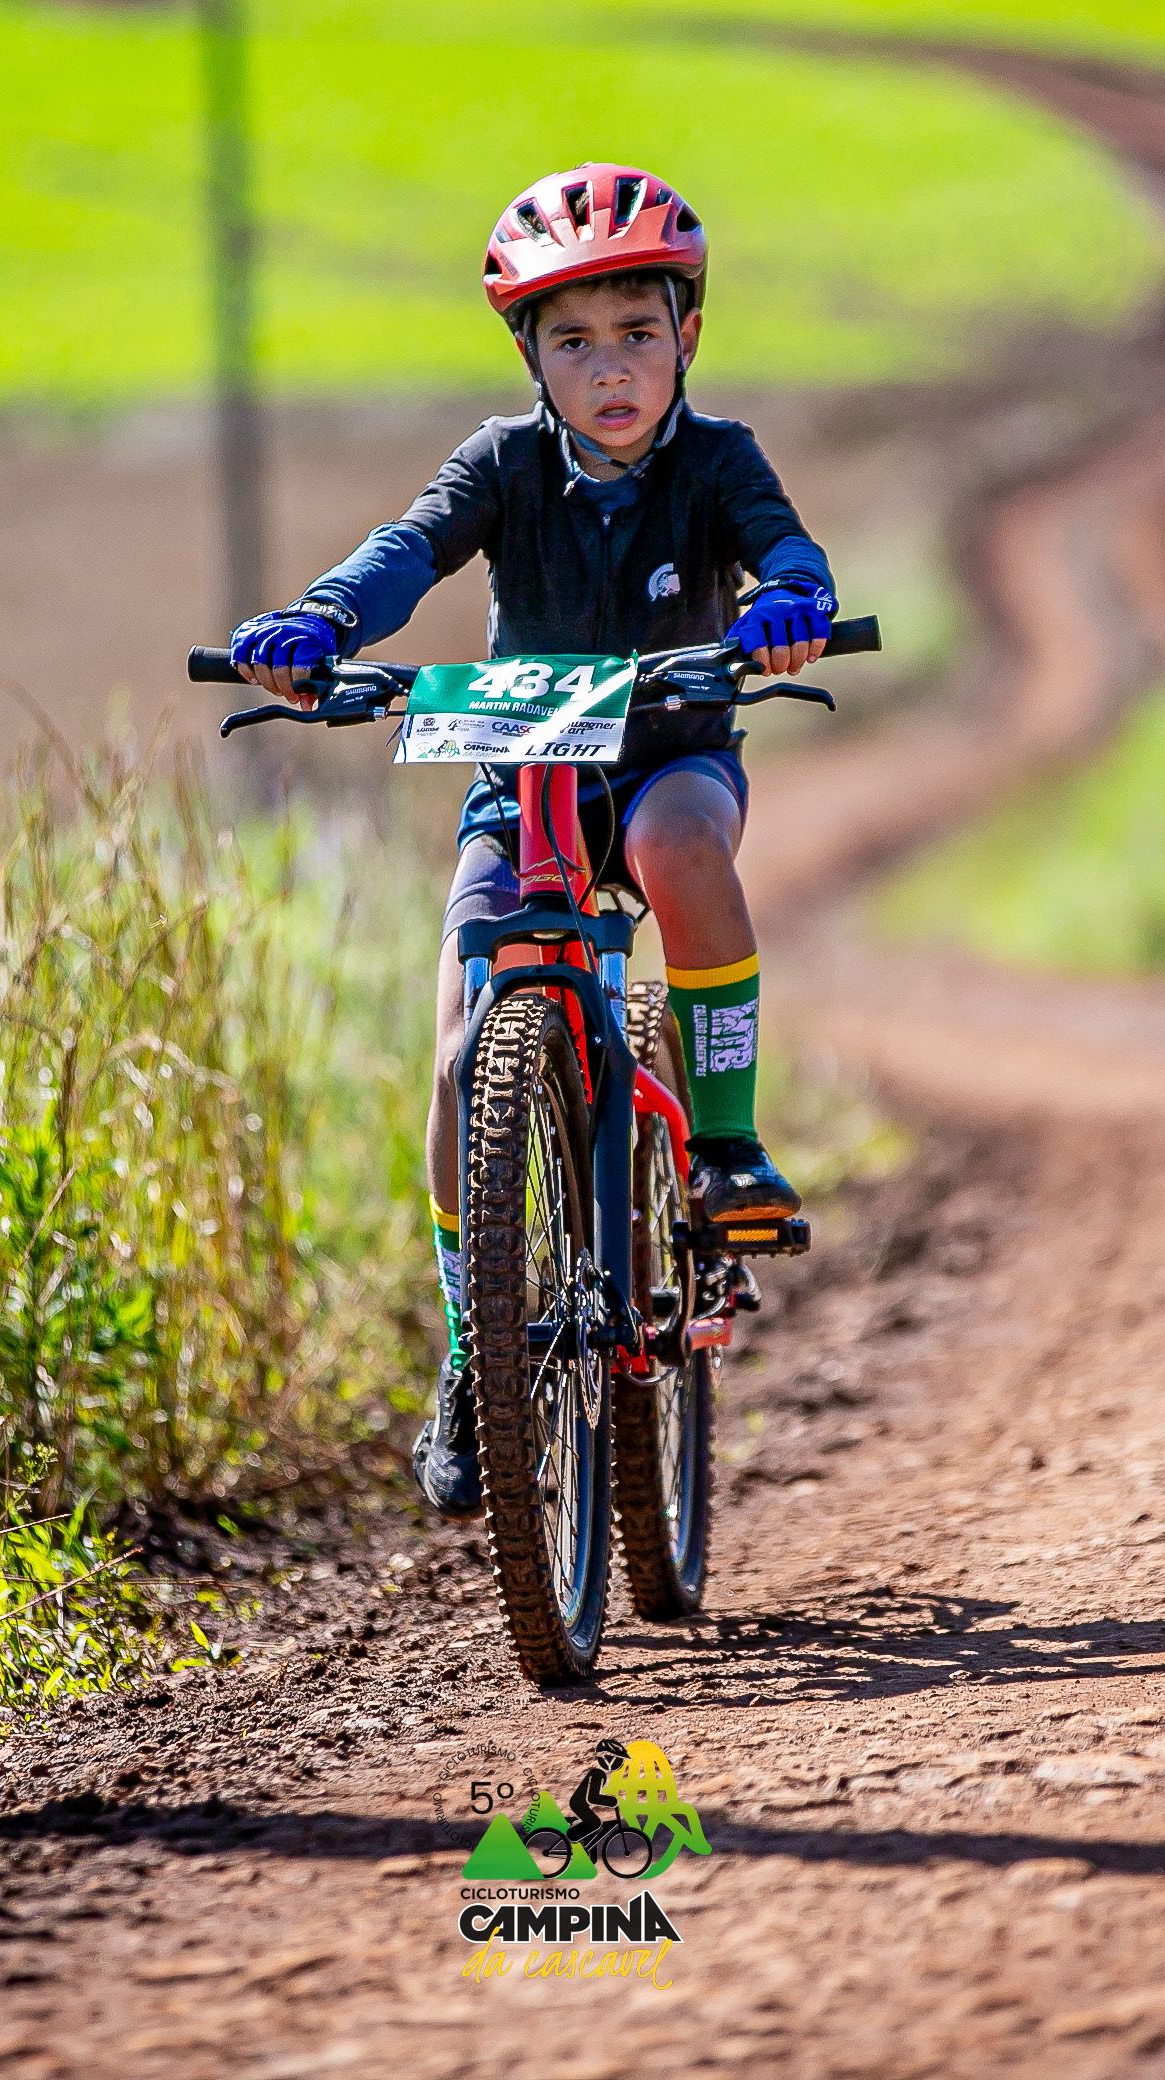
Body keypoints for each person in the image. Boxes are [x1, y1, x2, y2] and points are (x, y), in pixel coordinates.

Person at [228, 163, 836, 1520]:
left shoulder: (718, 461)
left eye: (638, 334)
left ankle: (725, 1145)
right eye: (572, 342)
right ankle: (472, 1350)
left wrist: (791, 602)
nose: (609, 369)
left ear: (688, 336)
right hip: (524, 785)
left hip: (670, 761)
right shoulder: (499, 466)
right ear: (529, 358)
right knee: (459, 1056)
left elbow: (786, 548)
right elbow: (406, 551)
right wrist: (322, 621)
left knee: (683, 847)